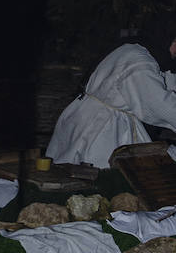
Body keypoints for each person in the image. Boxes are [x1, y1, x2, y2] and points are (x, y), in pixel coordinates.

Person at [46, 17, 176, 169]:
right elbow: (158, 104)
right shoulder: (138, 59)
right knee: (96, 175)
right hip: (100, 128)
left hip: (106, 121)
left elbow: (169, 87)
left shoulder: (153, 57)